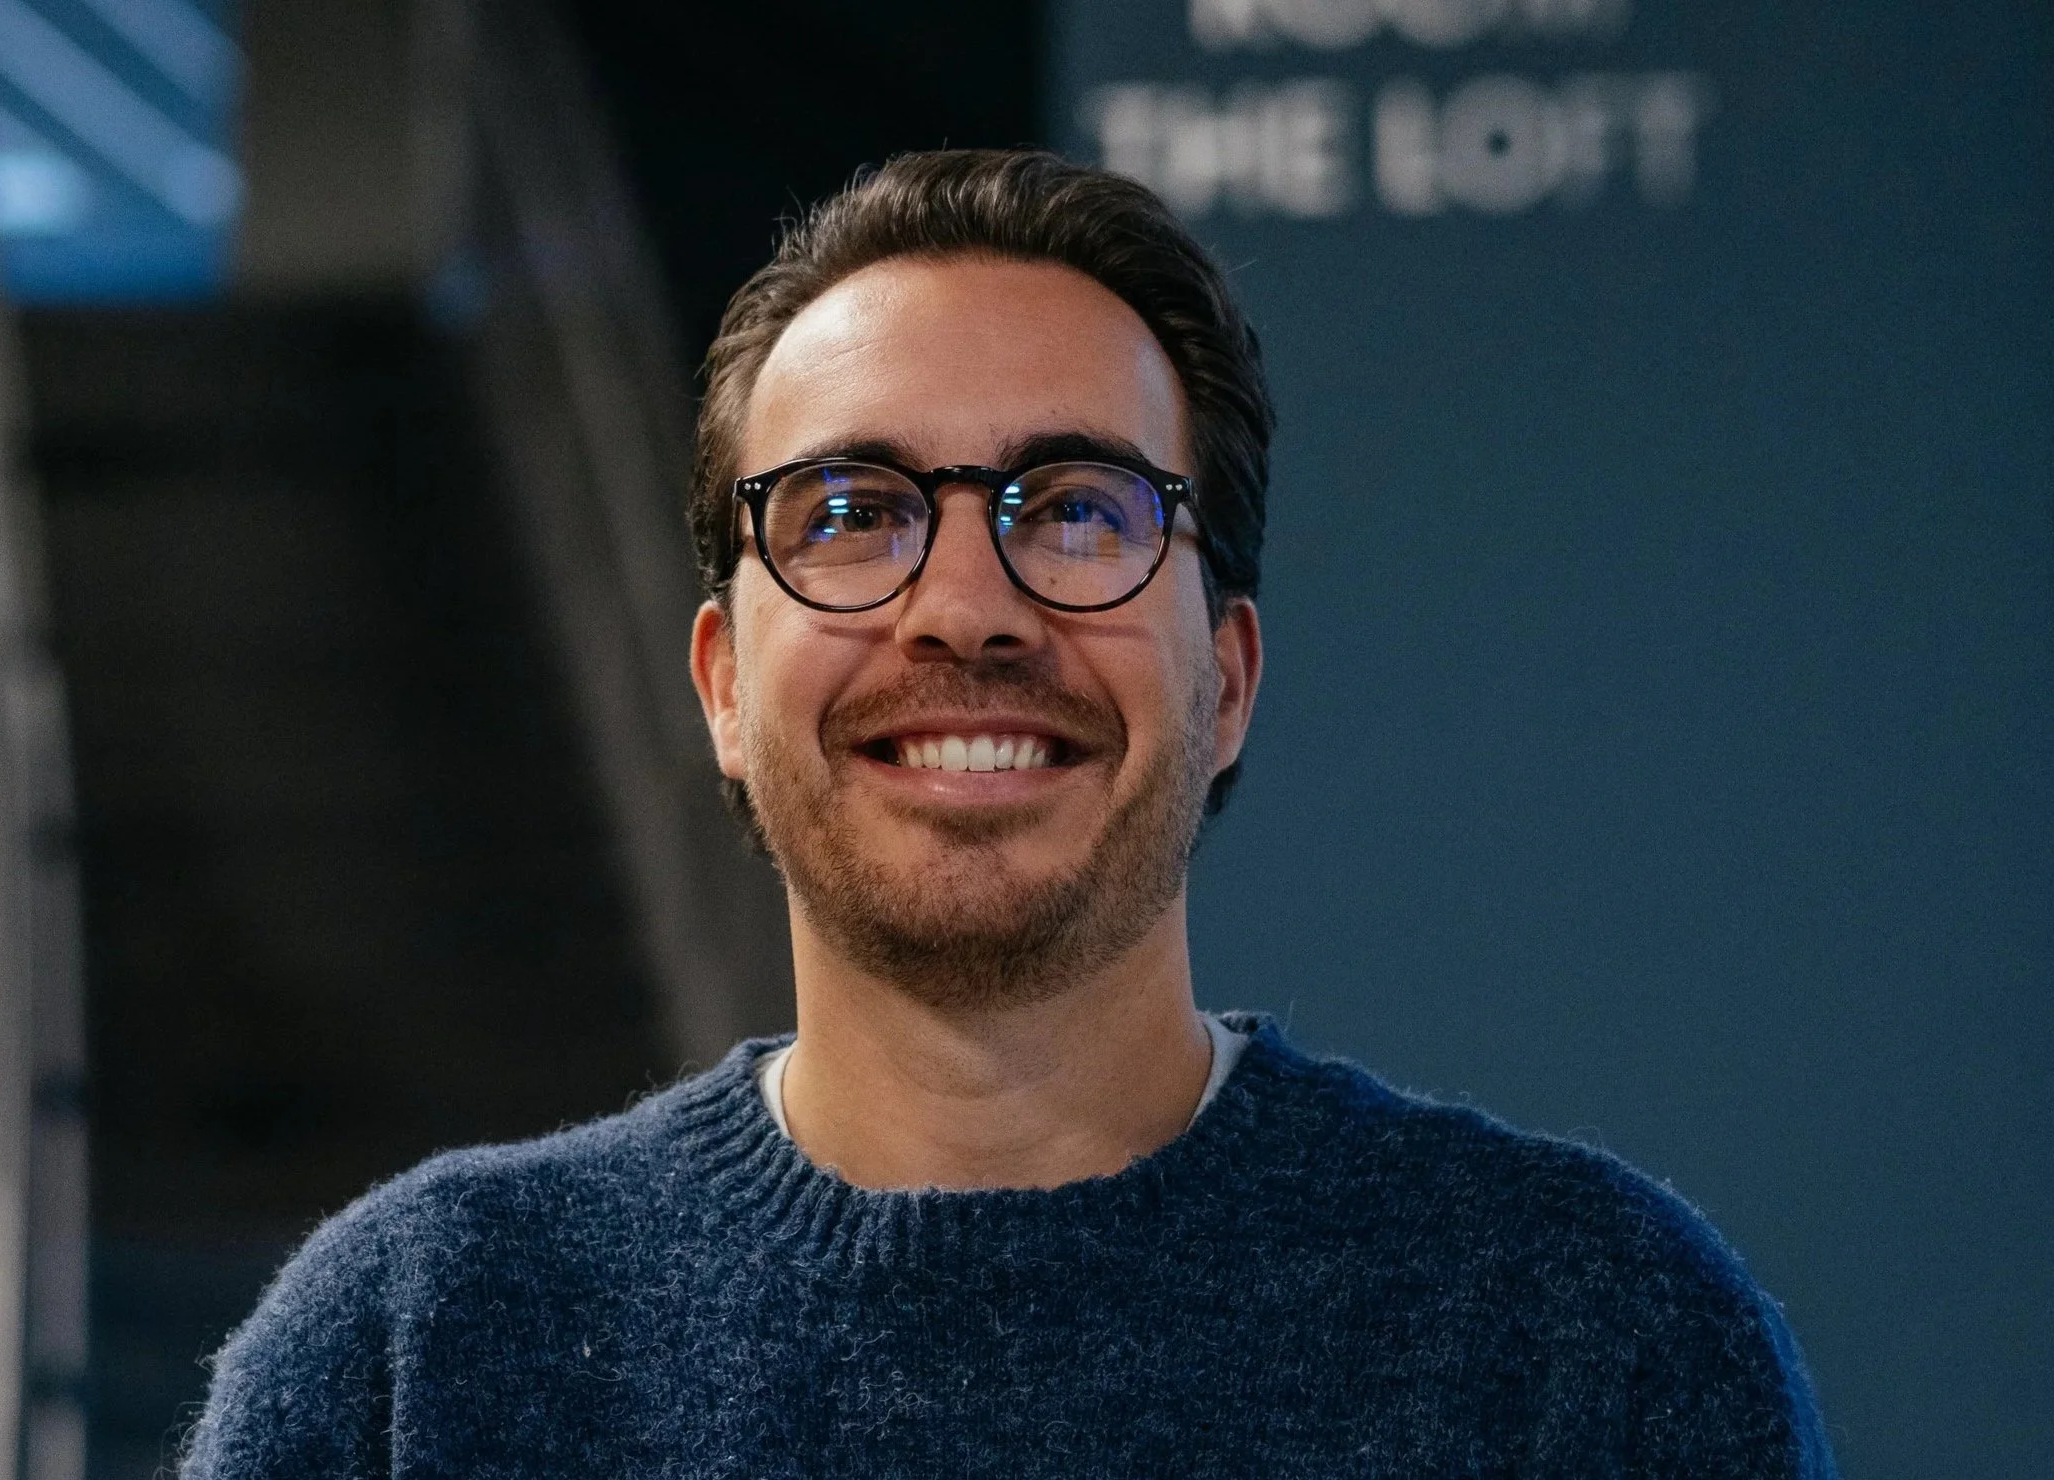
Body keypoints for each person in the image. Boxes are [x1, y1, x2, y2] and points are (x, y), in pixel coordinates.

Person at [182, 149, 1836, 1477]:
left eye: (1079, 508)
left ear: (1231, 677)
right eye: (847, 511)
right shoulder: (409, 1357)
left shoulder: (1591, 1342)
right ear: (720, 690)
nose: (964, 605)